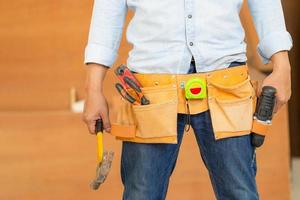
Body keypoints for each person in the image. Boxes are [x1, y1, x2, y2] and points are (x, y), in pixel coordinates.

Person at [82, 0, 293, 199]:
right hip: (150, 86)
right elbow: (107, 8)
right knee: (141, 194)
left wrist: (282, 64)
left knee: (240, 194)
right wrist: (93, 89)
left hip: (226, 80)